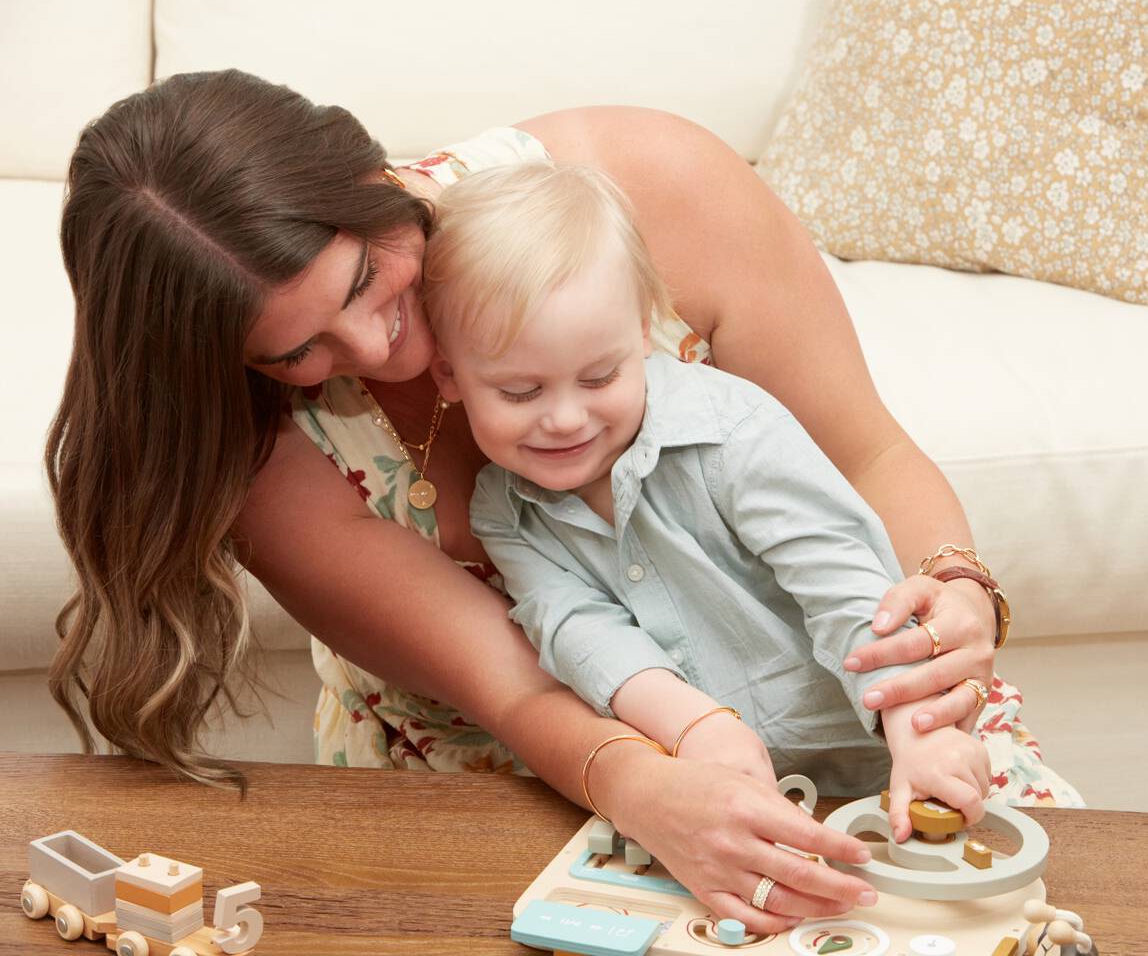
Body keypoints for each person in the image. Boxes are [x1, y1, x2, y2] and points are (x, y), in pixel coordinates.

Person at [47, 69, 1081, 933]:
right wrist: (659, 782)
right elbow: (524, 687)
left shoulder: (645, 192)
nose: (373, 350)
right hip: (525, 760)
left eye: (367, 276)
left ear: (372, 175)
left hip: (827, 694)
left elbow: (869, 457)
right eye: (296, 350)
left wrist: (955, 591)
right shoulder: (254, 443)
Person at [423, 160, 994, 831]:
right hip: (705, 795)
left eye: (600, 375)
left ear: (642, 331)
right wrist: (695, 727)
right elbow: (578, 630)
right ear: (449, 376)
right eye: (521, 393)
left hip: (876, 765)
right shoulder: (502, 507)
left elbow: (841, 583)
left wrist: (915, 730)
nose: (567, 419)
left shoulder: (733, 432)